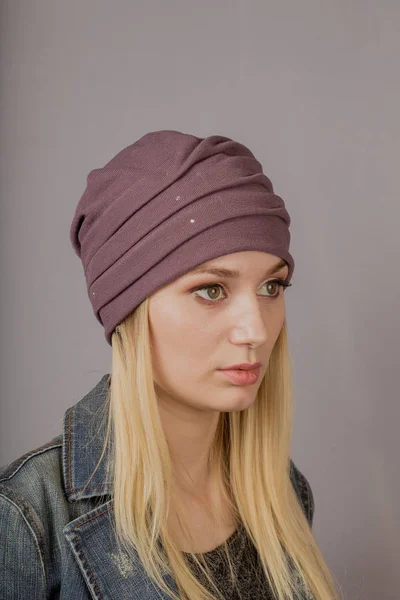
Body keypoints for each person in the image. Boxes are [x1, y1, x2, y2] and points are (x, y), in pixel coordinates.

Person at [0, 130, 340, 600]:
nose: (257, 331)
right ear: (129, 309)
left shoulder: (282, 491)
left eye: (271, 287)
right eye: (212, 290)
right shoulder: (28, 517)